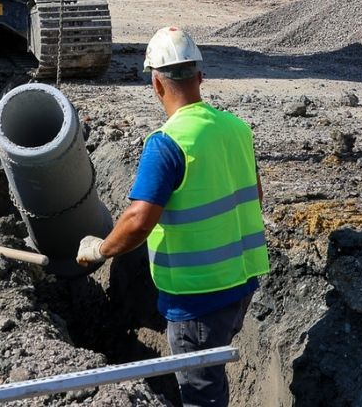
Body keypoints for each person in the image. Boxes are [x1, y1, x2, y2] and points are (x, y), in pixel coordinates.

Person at [76, 27, 268, 407]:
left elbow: (139, 220)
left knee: (199, 393)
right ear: (200, 77)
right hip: (241, 283)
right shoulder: (236, 129)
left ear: (156, 84)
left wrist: (101, 250)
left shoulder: (167, 143)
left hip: (196, 299)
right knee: (213, 373)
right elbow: (254, 195)